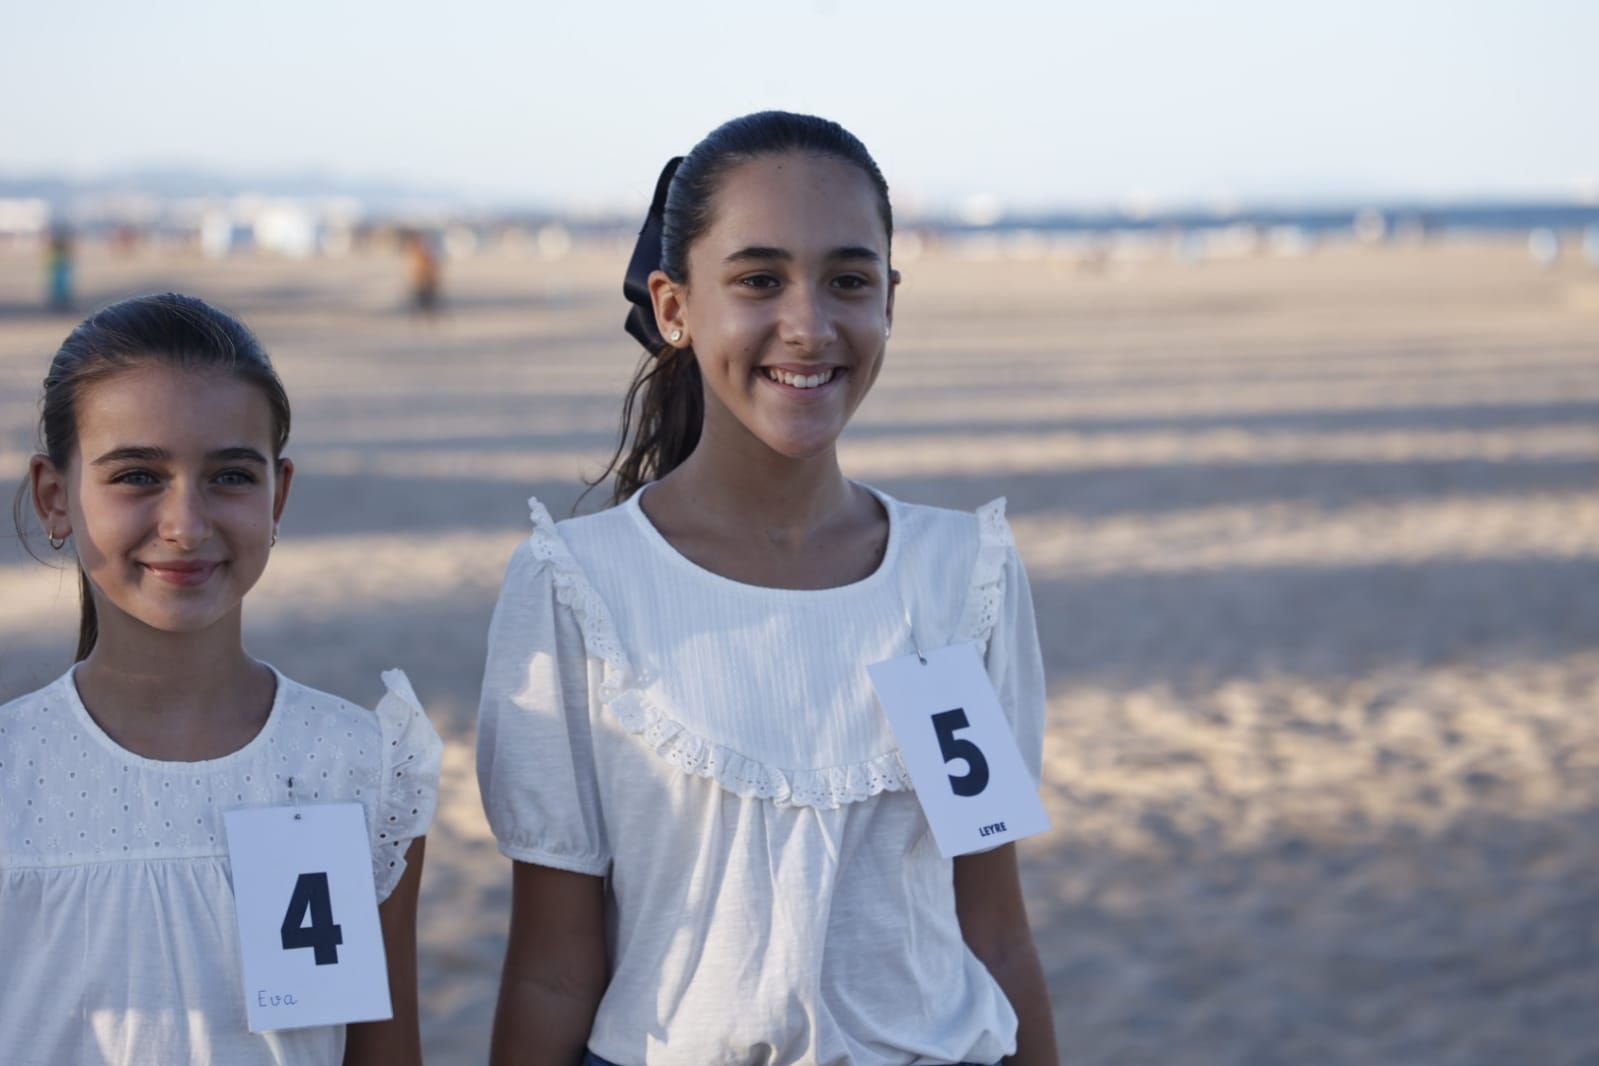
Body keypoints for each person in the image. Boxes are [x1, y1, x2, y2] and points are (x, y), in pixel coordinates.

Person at [478, 112, 1058, 1065]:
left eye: (847, 280)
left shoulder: (965, 578)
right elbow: (550, 965)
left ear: (888, 302)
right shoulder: (577, 585)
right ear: (674, 307)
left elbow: (993, 929)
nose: (808, 324)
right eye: (758, 280)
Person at [1, 293, 441, 1065]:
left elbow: (382, 1050)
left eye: (230, 476)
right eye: (137, 474)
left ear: (278, 494)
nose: (185, 523)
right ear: (53, 497)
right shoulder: (12, 770)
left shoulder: (356, 763)